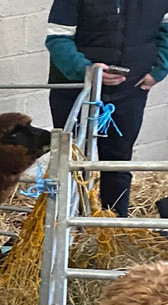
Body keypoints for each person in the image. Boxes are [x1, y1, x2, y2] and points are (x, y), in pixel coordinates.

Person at [46, 0, 168, 215]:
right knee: (72, 158)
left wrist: (159, 70)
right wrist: (85, 70)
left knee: (118, 160)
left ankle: (114, 223)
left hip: (130, 89)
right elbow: (58, 38)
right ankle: (69, 223)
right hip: (77, 89)